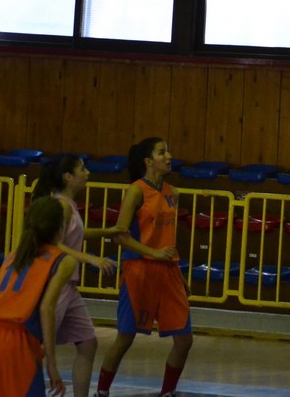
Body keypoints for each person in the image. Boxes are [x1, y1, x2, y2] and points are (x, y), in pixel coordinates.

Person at [95, 138, 193, 397]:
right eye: (162, 152)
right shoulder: (136, 191)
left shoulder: (173, 192)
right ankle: (101, 391)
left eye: (168, 151)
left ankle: (167, 392)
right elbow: (120, 235)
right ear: (148, 161)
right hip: (139, 269)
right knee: (125, 337)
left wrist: (178, 273)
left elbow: (167, 239)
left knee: (184, 339)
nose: (169, 156)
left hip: (168, 271)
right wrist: (154, 253)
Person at [0, 196, 77, 397]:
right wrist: (52, 363)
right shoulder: (64, 260)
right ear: (60, 229)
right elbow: (46, 308)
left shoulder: (14, 255)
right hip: (14, 337)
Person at [33, 154, 126, 397]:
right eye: (82, 169)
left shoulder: (69, 204)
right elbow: (55, 243)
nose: (88, 173)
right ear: (68, 177)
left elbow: (76, 234)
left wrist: (107, 231)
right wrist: (91, 259)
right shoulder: (61, 205)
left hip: (69, 285)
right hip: (56, 283)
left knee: (87, 342)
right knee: (39, 347)